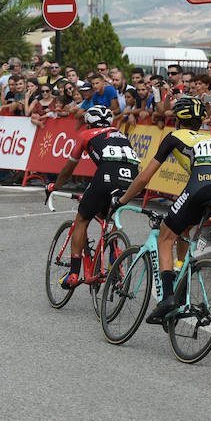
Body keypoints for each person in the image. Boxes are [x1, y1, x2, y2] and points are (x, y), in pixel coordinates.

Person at [115, 97, 211, 324]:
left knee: (165, 236)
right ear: (200, 121)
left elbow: (144, 177)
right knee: (183, 227)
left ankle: (168, 298)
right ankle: (181, 274)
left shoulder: (174, 136)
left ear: (179, 119)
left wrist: (123, 200)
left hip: (202, 186)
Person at [46, 105, 140, 288]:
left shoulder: (85, 135)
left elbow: (69, 168)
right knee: (109, 217)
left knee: (82, 219)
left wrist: (55, 186)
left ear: (89, 124)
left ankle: (73, 273)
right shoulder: (120, 135)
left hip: (107, 176)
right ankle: (114, 259)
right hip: (132, 179)